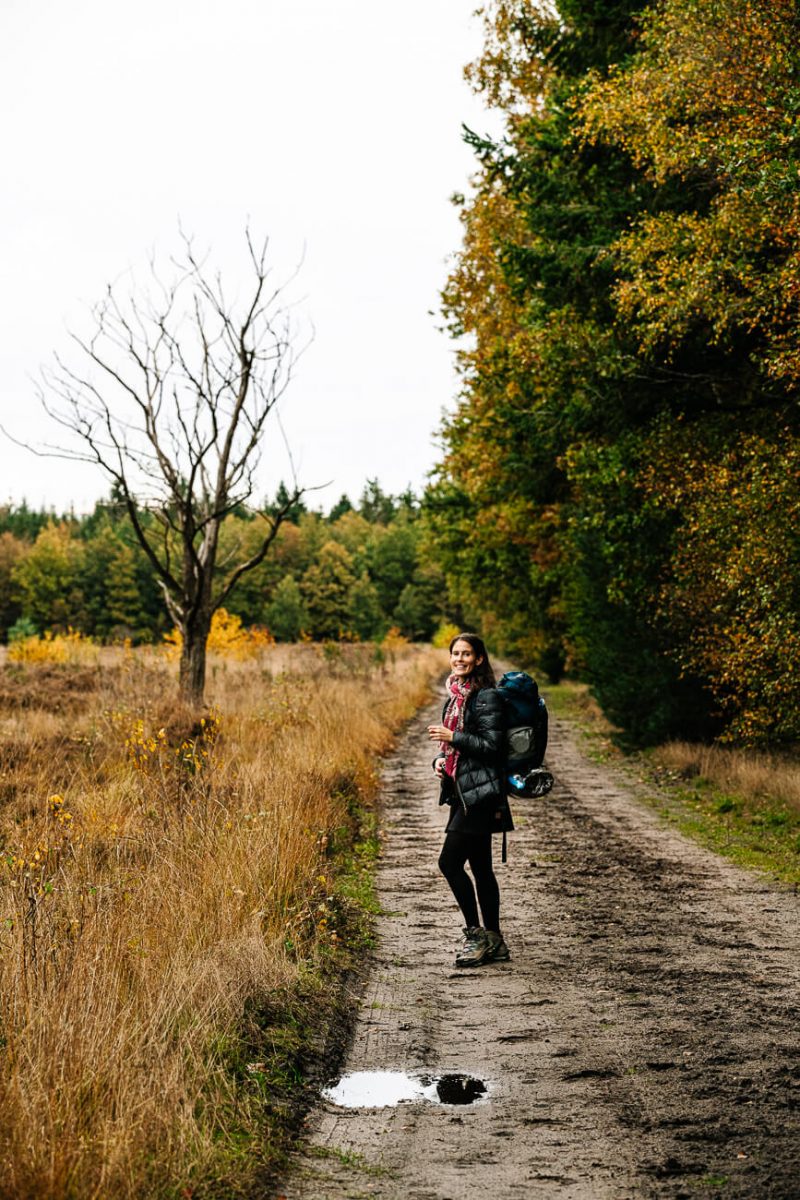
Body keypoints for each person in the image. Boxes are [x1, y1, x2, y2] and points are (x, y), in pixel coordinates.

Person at [427, 632, 513, 968]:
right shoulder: (455, 696)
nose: (459, 659)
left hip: (481, 795)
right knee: (480, 868)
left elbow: (492, 747)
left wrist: (454, 737)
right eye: (455, 653)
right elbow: (451, 749)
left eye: (466, 654)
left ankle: (476, 937)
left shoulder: (486, 697)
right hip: (464, 792)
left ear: (479, 659)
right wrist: (439, 761)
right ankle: (495, 941)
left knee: (449, 863)